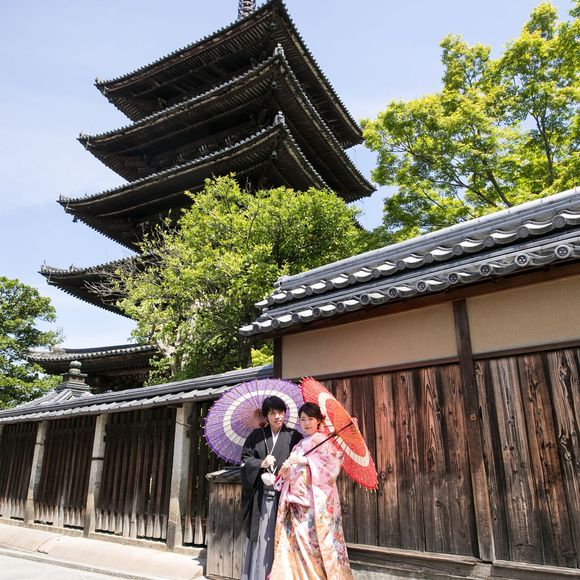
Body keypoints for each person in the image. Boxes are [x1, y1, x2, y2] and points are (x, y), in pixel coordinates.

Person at [270, 402, 353, 580]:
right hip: (296, 504)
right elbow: (290, 472)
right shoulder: (299, 445)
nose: (306, 423)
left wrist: (308, 461)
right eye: (303, 419)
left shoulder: (325, 442)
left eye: (311, 419)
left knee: (315, 548)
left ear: (318, 421)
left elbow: (332, 466)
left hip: (314, 507)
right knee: (297, 548)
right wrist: (286, 471)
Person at [240, 395, 303, 580]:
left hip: (284, 497)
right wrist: (261, 463)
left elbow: (301, 465)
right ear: (266, 416)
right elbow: (244, 461)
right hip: (261, 497)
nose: (277, 416)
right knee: (260, 538)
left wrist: (289, 470)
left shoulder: (294, 436)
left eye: (281, 412)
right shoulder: (256, 436)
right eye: (272, 413)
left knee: (283, 538)